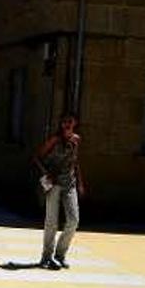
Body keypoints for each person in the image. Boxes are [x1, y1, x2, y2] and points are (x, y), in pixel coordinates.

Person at [33, 113, 86, 270]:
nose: (67, 124)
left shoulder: (76, 140)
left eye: (70, 121)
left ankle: (60, 255)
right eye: (64, 122)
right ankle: (46, 258)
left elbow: (75, 162)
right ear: (61, 124)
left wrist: (80, 183)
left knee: (73, 220)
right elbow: (37, 156)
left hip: (70, 184)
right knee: (51, 222)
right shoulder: (54, 140)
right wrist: (46, 173)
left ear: (75, 123)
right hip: (54, 184)